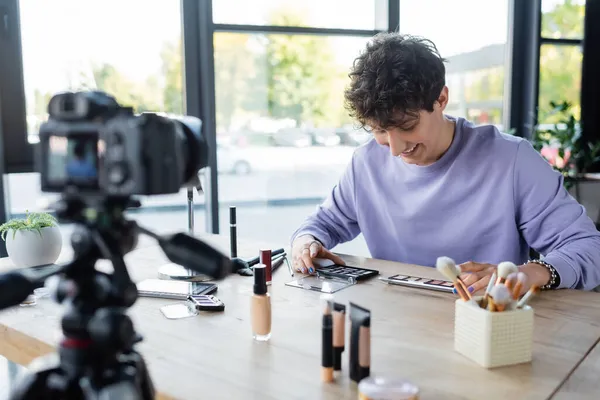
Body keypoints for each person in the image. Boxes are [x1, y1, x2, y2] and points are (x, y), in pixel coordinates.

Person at [290, 33, 600, 293]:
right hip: (395, 325)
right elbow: (322, 225)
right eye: (380, 130)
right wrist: (307, 243)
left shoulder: (512, 160)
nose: (395, 150)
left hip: (486, 321)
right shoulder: (366, 163)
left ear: (441, 99)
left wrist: (529, 273)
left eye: (407, 126)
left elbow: (588, 248)